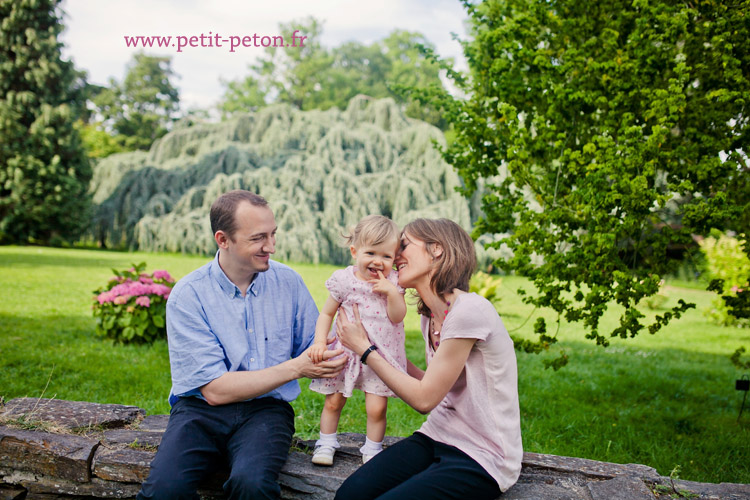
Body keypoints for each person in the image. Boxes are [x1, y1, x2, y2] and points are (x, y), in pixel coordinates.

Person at [137, 190, 348, 500]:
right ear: (223, 240)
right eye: (258, 238)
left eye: (273, 234)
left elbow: (316, 347)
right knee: (163, 491)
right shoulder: (189, 295)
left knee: (252, 485)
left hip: (266, 411)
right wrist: (297, 367)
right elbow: (215, 390)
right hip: (199, 411)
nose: (272, 247)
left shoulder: (289, 283)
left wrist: (351, 343)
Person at [334, 218, 523, 500]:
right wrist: (372, 346)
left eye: (405, 245)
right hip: (437, 435)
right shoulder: (430, 316)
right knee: (349, 496)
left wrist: (366, 351)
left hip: (484, 456)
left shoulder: (469, 310)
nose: (395, 255)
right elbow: (434, 383)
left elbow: (424, 400)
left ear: (437, 250)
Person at [308, 215, 407, 466]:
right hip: (345, 353)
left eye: (386, 256)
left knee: (377, 408)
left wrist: (392, 294)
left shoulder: (393, 282)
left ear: (394, 258)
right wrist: (320, 342)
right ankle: (326, 443)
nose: (378, 261)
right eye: (370, 253)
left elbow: (398, 317)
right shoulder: (344, 280)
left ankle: (372, 449)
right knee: (333, 401)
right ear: (354, 251)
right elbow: (327, 313)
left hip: (379, 355)